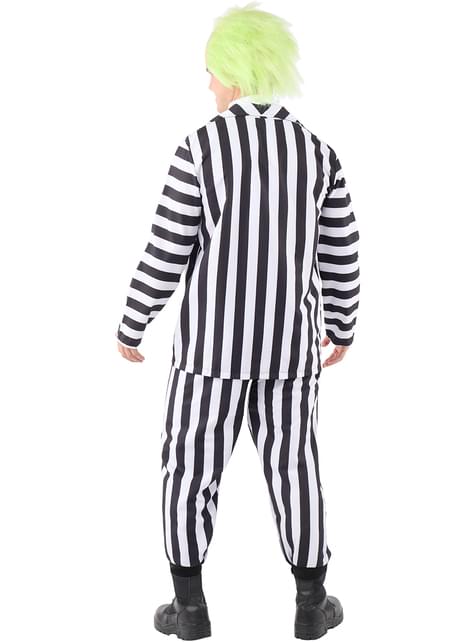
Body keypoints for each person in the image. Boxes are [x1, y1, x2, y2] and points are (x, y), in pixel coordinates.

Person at [116, 2, 360, 639]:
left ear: (234, 72)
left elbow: (166, 248)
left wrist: (133, 321)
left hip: (209, 354)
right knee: (297, 469)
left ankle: (189, 608)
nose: (207, 84)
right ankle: (312, 603)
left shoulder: (200, 148)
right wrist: (342, 324)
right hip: (289, 352)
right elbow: (340, 250)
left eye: (211, 72)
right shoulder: (318, 153)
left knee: (188, 471)